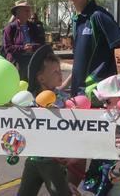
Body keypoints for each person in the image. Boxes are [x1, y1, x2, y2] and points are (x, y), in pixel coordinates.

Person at [17, 45, 72, 196]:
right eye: (55, 72)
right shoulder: (29, 97)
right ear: (41, 78)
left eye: (61, 71)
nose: (60, 74)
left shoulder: (62, 99)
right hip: (33, 157)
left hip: (52, 160)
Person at [3, 0, 45, 80]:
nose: (29, 12)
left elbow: (42, 44)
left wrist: (32, 47)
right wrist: (23, 48)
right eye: (25, 10)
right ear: (18, 13)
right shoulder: (10, 28)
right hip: (17, 63)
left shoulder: (34, 27)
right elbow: (7, 47)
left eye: (29, 9)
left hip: (32, 61)